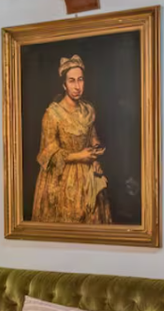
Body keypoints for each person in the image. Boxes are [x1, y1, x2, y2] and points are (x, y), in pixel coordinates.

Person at [32, 54, 112, 224]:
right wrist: (80, 156)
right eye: (72, 81)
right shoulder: (53, 114)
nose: (77, 86)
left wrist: (96, 156)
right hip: (61, 179)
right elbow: (49, 153)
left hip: (87, 176)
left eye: (80, 80)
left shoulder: (88, 110)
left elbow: (93, 137)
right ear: (64, 85)